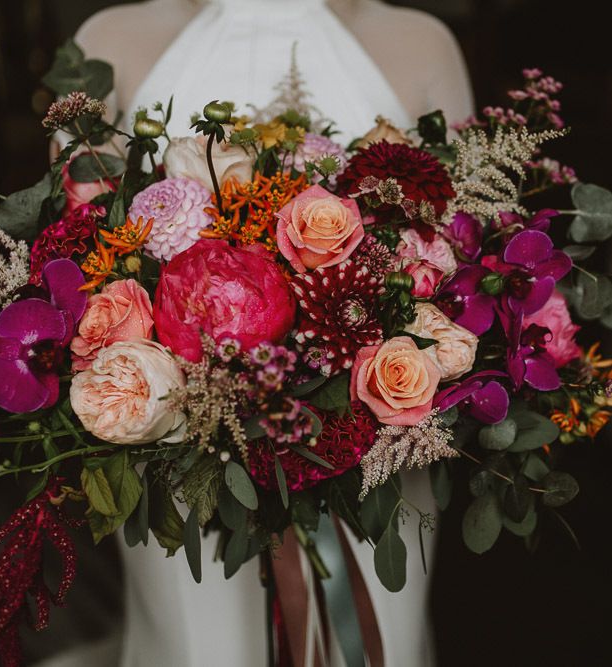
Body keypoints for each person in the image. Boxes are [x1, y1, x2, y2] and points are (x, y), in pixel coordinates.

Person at [44, 1, 473, 665]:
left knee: (380, 639)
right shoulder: (110, 41)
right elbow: (73, 256)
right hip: (174, 449)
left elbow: (472, 257)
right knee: (199, 644)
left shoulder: (420, 44)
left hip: (383, 446)